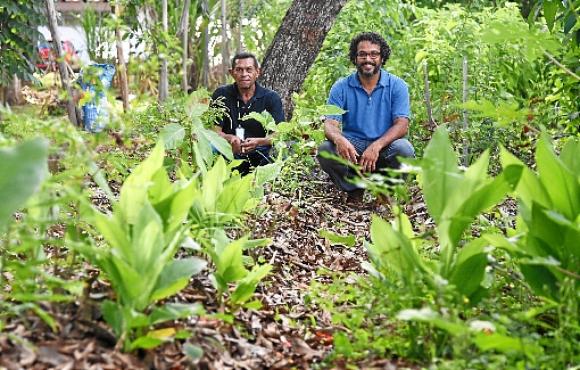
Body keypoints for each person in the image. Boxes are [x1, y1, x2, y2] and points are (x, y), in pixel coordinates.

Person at [317, 32, 415, 203]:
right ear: (355, 58)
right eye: (362, 54)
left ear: (382, 58)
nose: (367, 59)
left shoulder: (397, 85)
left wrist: (376, 146)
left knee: (404, 149)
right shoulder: (341, 87)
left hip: (384, 146)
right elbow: (330, 125)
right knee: (326, 149)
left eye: (374, 54)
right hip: (353, 147)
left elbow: (402, 125)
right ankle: (355, 190)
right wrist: (340, 140)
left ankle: (384, 192)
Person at [212, 52, 285, 175]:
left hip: (260, 152)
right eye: (239, 70)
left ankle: (266, 179)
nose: (244, 74)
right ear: (232, 73)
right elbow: (214, 131)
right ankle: (217, 176)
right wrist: (229, 139)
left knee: (285, 147)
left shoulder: (271, 97)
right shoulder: (221, 94)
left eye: (249, 69)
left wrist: (258, 142)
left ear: (257, 72)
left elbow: (279, 135)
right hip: (229, 152)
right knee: (210, 145)